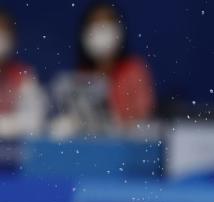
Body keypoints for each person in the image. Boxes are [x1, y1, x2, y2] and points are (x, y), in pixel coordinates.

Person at [50, 2, 154, 137]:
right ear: (84, 32)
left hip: (125, 150)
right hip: (92, 148)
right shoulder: (80, 76)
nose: (102, 29)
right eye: (95, 23)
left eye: (108, 22)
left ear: (120, 29)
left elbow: (143, 118)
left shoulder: (134, 71)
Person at [0, 9, 46, 138]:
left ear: (13, 38)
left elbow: (35, 120)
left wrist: (5, 125)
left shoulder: (24, 76)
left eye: (3, 31)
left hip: (13, 152)